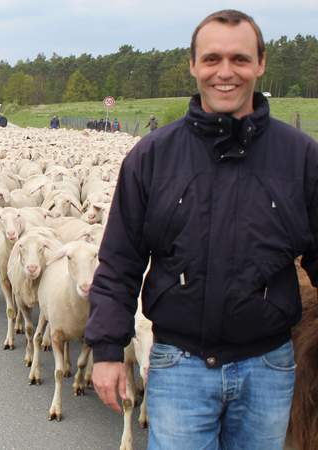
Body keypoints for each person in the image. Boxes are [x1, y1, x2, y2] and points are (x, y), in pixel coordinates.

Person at [85, 10, 318, 450]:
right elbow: (120, 260)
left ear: (261, 64)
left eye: (239, 59)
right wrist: (107, 350)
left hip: (268, 367)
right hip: (181, 368)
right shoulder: (152, 157)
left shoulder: (301, 159)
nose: (225, 72)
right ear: (192, 65)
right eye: (211, 59)